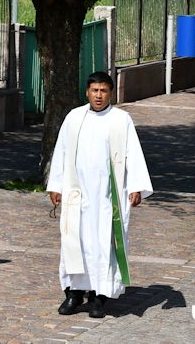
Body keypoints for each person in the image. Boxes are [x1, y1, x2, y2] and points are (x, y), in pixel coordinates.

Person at [47, 72, 152, 319]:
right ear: (87, 92)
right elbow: (61, 151)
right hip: (78, 195)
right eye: (94, 90)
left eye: (103, 91)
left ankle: (98, 297)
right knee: (76, 243)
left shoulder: (121, 119)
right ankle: (73, 294)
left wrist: (135, 186)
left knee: (104, 244)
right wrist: (56, 185)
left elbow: (132, 153)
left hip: (107, 198)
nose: (98, 95)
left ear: (110, 93)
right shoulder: (74, 117)